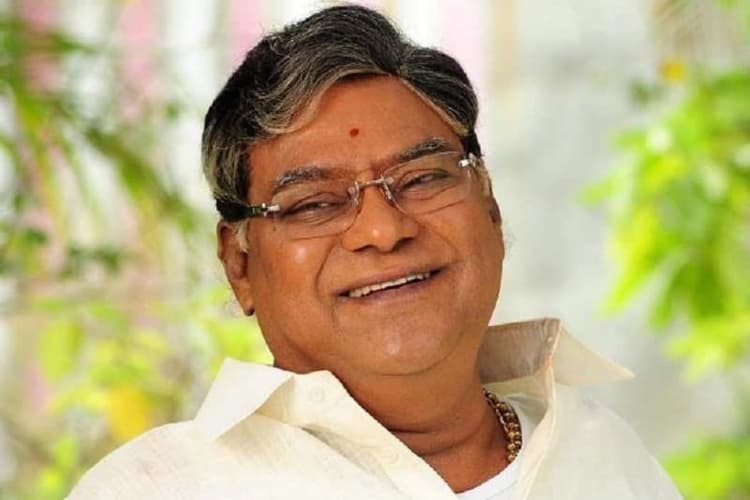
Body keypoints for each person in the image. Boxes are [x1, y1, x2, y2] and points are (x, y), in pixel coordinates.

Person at [69, 5, 682, 499]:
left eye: (422, 179)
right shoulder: (161, 488)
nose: (383, 231)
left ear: (490, 207)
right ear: (240, 265)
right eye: (314, 203)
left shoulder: (602, 453)